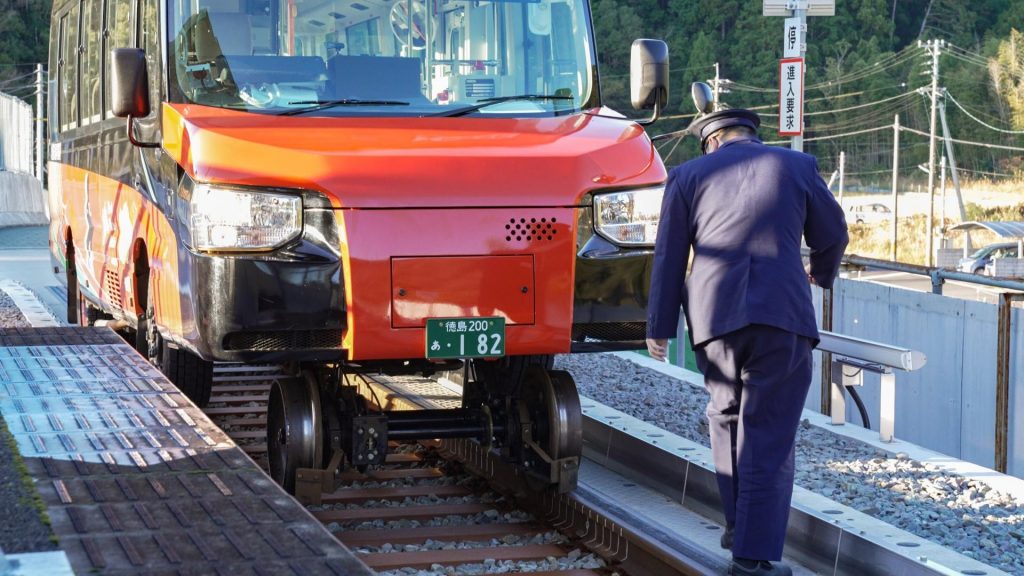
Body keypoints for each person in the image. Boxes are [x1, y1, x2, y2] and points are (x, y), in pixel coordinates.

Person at [645, 109, 848, 576]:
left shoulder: (687, 175)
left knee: (727, 418)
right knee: (768, 433)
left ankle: (740, 528)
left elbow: (669, 254)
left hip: (714, 320)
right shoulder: (797, 166)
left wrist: (659, 325)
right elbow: (833, 232)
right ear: (752, 136)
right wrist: (822, 270)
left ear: (711, 142)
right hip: (782, 317)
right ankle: (752, 559)